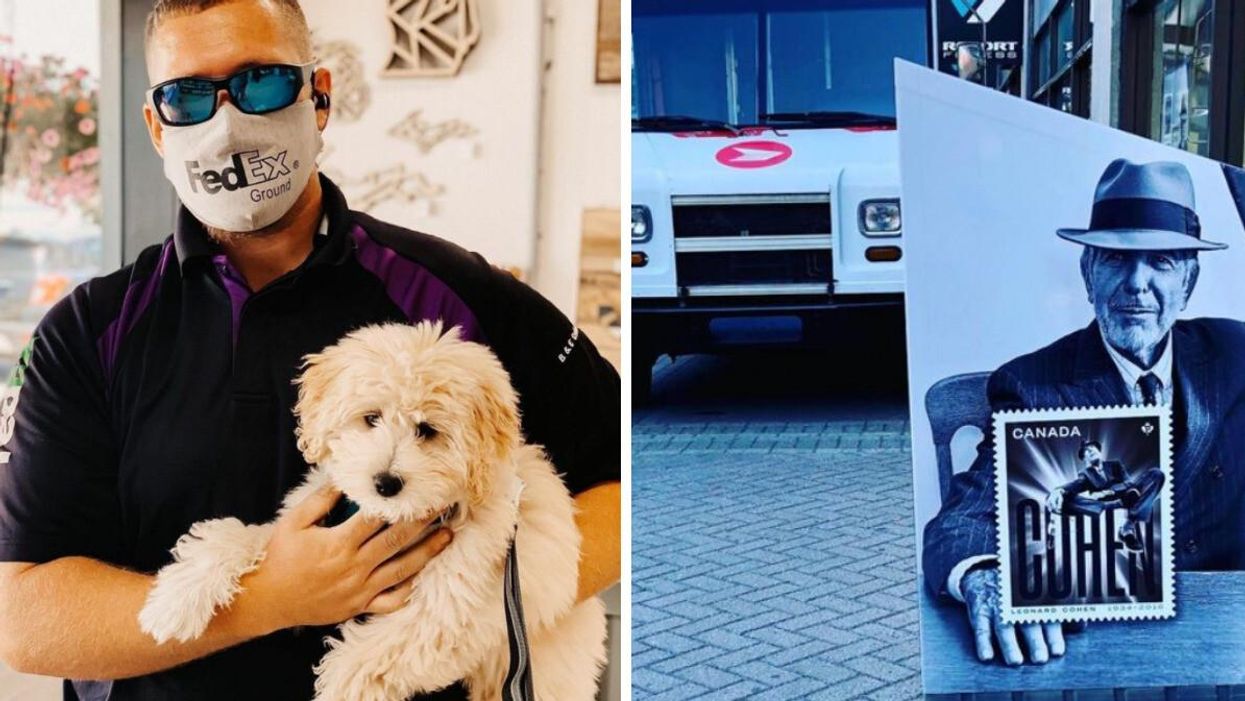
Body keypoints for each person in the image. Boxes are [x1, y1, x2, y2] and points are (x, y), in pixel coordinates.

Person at [0, 1, 621, 699]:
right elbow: (27, 621)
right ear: (154, 123)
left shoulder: (456, 296)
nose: (227, 121)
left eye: (262, 81)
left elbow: (621, 476)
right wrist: (272, 597)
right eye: (187, 94)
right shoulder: (88, 331)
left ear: (318, 96)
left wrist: (490, 602)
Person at [923, 158, 1245, 666]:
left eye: (1161, 262)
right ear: (1087, 273)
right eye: (1115, 260)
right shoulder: (1032, 385)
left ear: (1189, 281)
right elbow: (963, 519)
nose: (1136, 283)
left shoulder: (1235, 354)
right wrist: (987, 576)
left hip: (1226, 645)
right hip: (1096, 651)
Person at [1044, 440, 1165, 552]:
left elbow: (1129, 483)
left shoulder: (1115, 465)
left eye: (1092, 448)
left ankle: (1127, 527)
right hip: (1104, 504)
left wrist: (1108, 492)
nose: (1090, 450)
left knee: (1156, 474)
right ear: (1085, 459)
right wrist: (1058, 490)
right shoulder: (1085, 474)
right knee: (1058, 496)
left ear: (1099, 451)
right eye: (1086, 451)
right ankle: (1123, 513)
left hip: (1128, 496)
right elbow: (1074, 485)